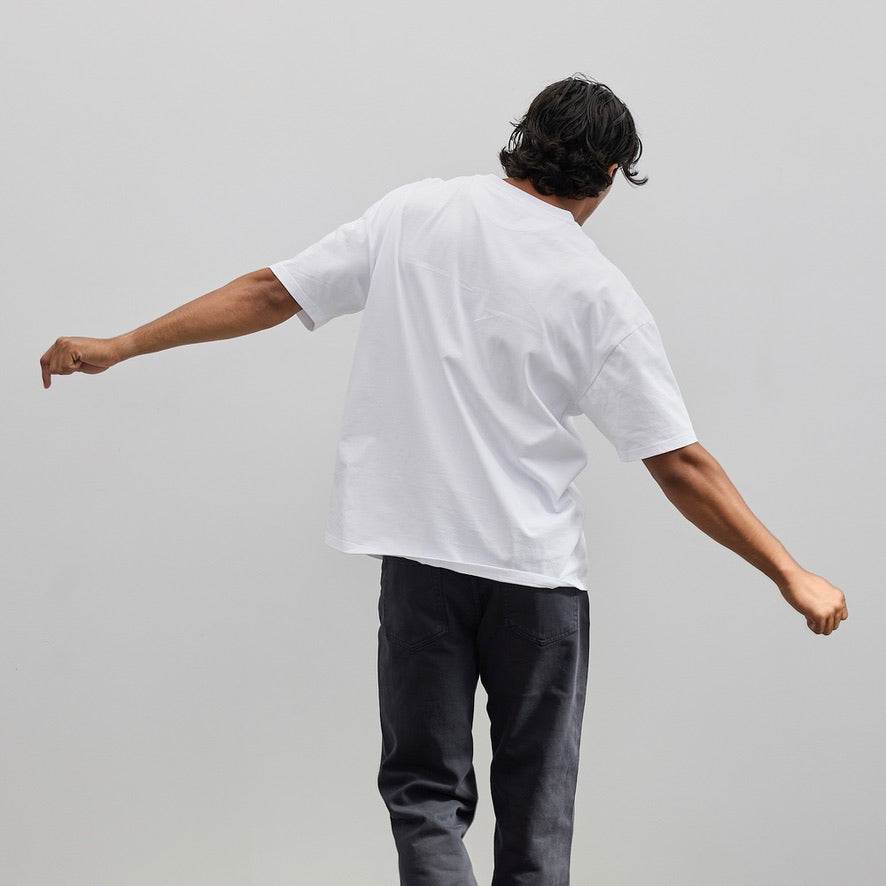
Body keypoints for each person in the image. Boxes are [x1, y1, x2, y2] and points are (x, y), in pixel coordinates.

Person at [39, 74, 848, 885]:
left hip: (422, 567)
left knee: (425, 797)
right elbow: (677, 462)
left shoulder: (415, 214)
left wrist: (122, 345)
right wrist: (789, 572)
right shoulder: (600, 291)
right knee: (536, 810)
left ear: (524, 139)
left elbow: (272, 293)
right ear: (608, 178)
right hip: (536, 578)